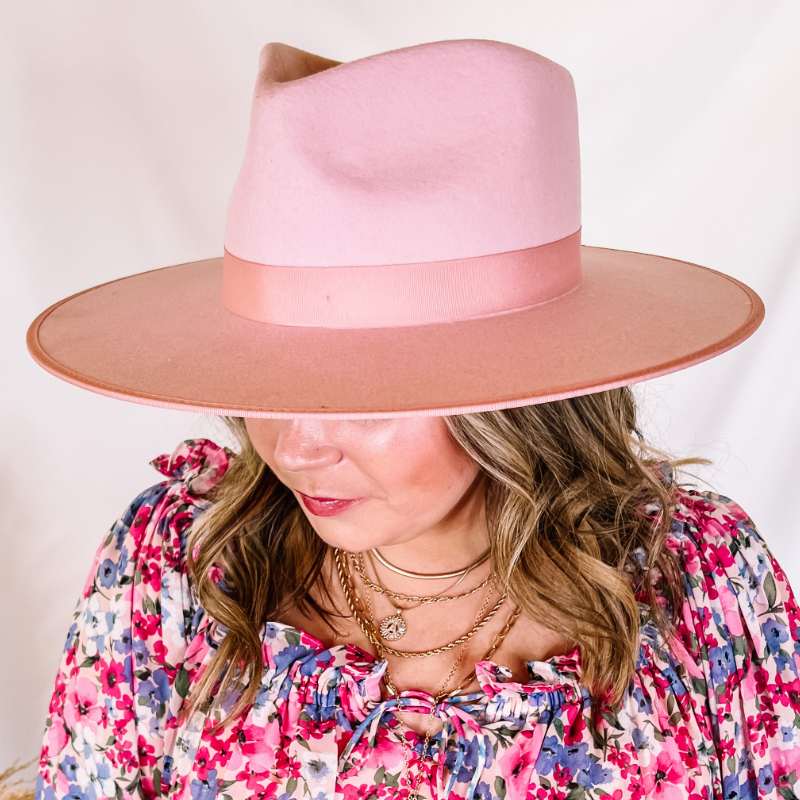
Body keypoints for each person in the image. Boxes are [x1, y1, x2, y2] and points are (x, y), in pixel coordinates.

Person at [27, 39, 795, 800]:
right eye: (265, 382)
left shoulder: (703, 582)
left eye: (362, 400)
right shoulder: (175, 568)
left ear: (518, 392)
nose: (296, 447)